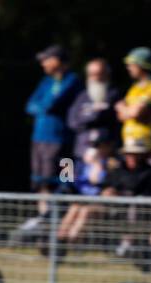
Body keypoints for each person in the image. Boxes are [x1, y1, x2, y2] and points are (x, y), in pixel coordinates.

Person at [26, 45, 80, 194]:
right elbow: (30, 105)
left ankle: (60, 215)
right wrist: (43, 107)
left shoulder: (72, 80)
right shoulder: (46, 82)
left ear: (57, 60)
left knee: (65, 181)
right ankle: (44, 216)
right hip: (39, 138)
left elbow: (53, 104)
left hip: (63, 141)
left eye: (46, 59)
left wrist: (43, 106)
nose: (43, 63)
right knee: (40, 182)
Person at [104, 137, 151, 260]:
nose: (132, 157)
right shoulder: (118, 171)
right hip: (117, 208)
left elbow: (150, 193)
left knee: (134, 208)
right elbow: (109, 186)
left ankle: (127, 244)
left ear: (142, 155)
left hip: (141, 211)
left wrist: (125, 195)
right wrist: (110, 192)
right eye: (129, 154)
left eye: (136, 154)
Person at [56, 129, 117, 245]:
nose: (96, 149)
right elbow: (73, 183)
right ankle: (60, 240)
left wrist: (97, 164)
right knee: (74, 208)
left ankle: (72, 241)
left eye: (99, 146)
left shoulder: (111, 164)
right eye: (94, 145)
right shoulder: (82, 164)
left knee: (84, 211)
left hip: (99, 203)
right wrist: (72, 174)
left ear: (108, 146)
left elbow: (98, 181)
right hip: (83, 200)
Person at [115, 47, 151, 148]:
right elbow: (120, 116)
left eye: (131, 64)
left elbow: (137, 112)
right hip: (131, 145)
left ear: (141, 65)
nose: (128, 67)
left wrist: (125, 109)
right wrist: (128, 111)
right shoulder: (134, 89)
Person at [67, 58, 121, 157]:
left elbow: (99, 116)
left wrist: (87, 115)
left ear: (107, 74)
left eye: (99, 73)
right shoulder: (82, 96)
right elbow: (72, 121)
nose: (96, 78)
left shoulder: (114, 94)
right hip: (81, 150)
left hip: (104, 151)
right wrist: (92, 115)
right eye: (91, 74)